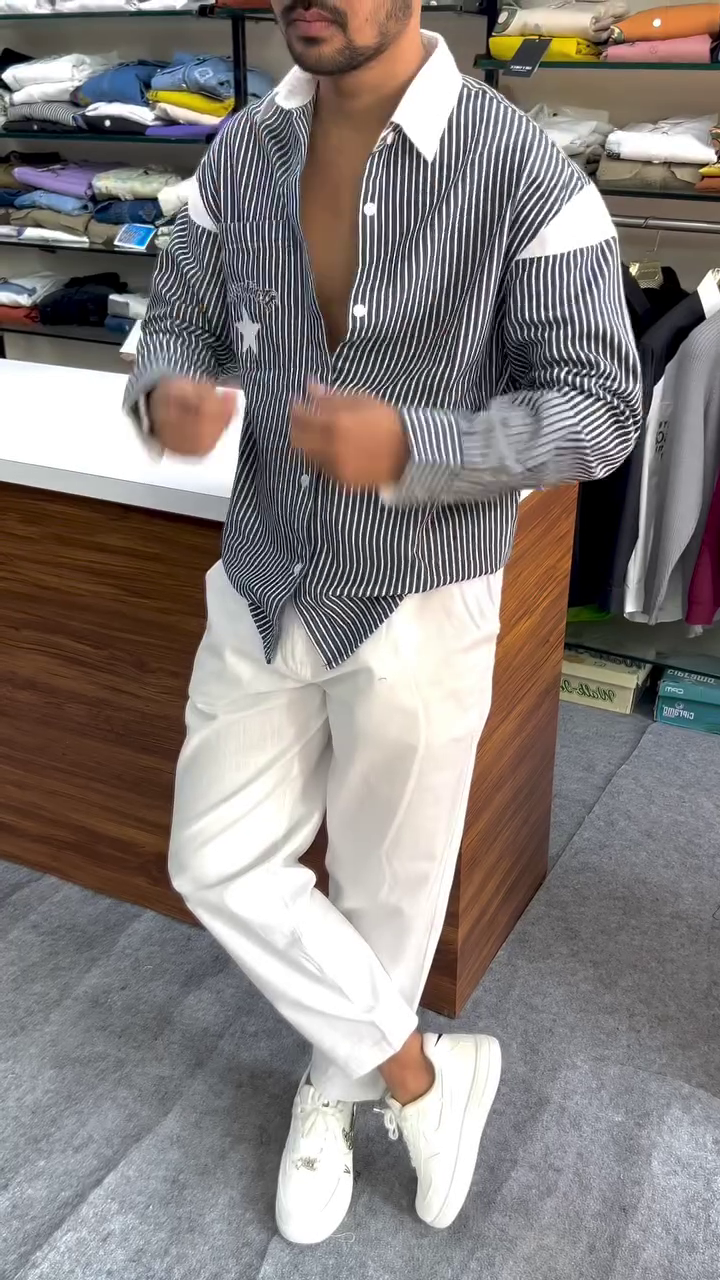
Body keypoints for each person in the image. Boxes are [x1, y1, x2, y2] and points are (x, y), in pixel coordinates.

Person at [124, 0, 642, 1245]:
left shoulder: (525, 172)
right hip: (265, 569)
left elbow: (601, 408)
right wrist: (168, 389)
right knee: (213, 857)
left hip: (424, 586)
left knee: (388, 886)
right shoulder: (240, 150)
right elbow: (175, 318)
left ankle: (334, 1087)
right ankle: (418, 1071)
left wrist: (418, 445)